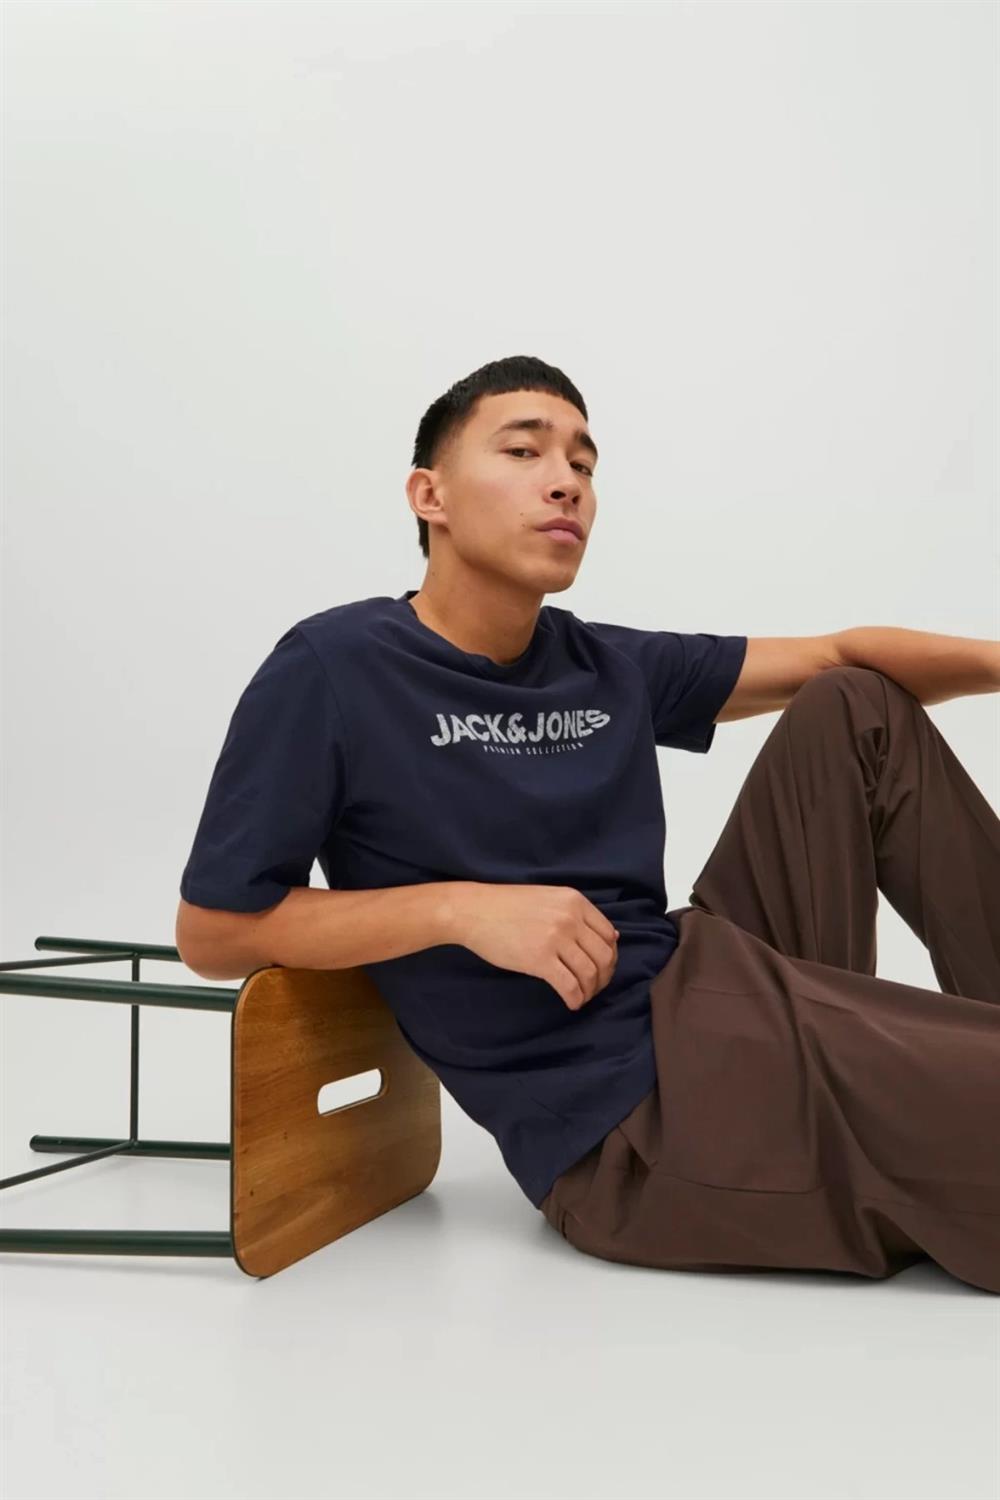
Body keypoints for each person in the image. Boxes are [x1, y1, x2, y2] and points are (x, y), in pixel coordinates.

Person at [176, 355, 1000, 1293]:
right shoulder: (336, 668)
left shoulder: (600, 663)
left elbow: (840, 652)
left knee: (854, 704)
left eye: (583, 463)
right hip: (631, 1123)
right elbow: (214, 930)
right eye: (523, 452)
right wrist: (459, 909)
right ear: (429, 495)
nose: (566, 480)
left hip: (716, 990)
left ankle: (896, 1059)